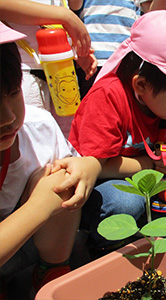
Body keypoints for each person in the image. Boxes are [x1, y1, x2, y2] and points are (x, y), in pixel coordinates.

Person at [68, 10, 166, 248]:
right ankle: (105, 240)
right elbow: (98, 166)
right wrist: (155, 164)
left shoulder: (162, 104)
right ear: (141, 84)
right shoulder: (108, 97)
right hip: (103, 182)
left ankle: (155, 222)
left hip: (143, 173)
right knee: (126, 202)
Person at [0, 22, 100, 298]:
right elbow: (42, 207)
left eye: (13, 93)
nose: (8, 117)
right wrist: (40, 207)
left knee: (61, 176)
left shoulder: (38, 126)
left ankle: (51, 272)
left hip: (31, 247)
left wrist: (89, 165)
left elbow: (80, 164)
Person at [0, 0, 97, 138]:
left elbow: (75, 5)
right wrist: (65, 16)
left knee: (64, 142)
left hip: (61, 66)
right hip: (24, 71)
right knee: (30, 139)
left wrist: (74, 48)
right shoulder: (64, 15)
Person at [69, 0, 141, 98]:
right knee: (93, 107)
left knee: (124, 107)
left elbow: (147, 17)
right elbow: (74, 6)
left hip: (126, 60)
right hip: (92, 60)